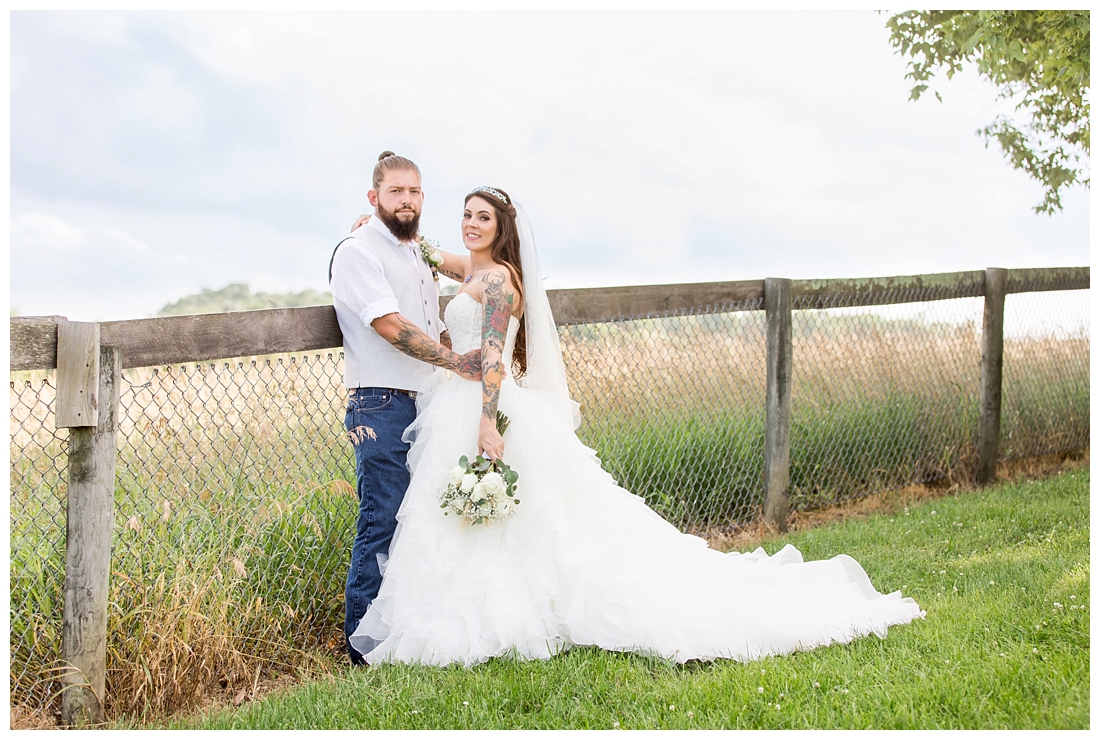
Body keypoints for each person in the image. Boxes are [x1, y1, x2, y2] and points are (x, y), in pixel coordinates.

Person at [349, 186, 924, 667]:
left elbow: (495, 354)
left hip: (483, 403)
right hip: (456, 398)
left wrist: (486, 423)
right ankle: (475, 609)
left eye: (484, 218)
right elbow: (431, 253)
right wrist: (377, 227)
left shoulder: (498, 281)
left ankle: (505, 612)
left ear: (504, 230)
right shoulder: (472, 268)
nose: (472, 225)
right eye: (467, 215)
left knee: (535, 519)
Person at [329, 152, 483, 665]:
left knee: (421, 523)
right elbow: (391, 326)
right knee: (383, 519)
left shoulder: (417, 252)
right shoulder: (357, 251)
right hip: (381, 402)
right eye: (396, 192)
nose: (407, 200)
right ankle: (363, 649)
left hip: (427, 401)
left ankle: (406, 636)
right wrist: (456, 362)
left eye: (415, 192)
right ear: (374, 198)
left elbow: (430, 317)